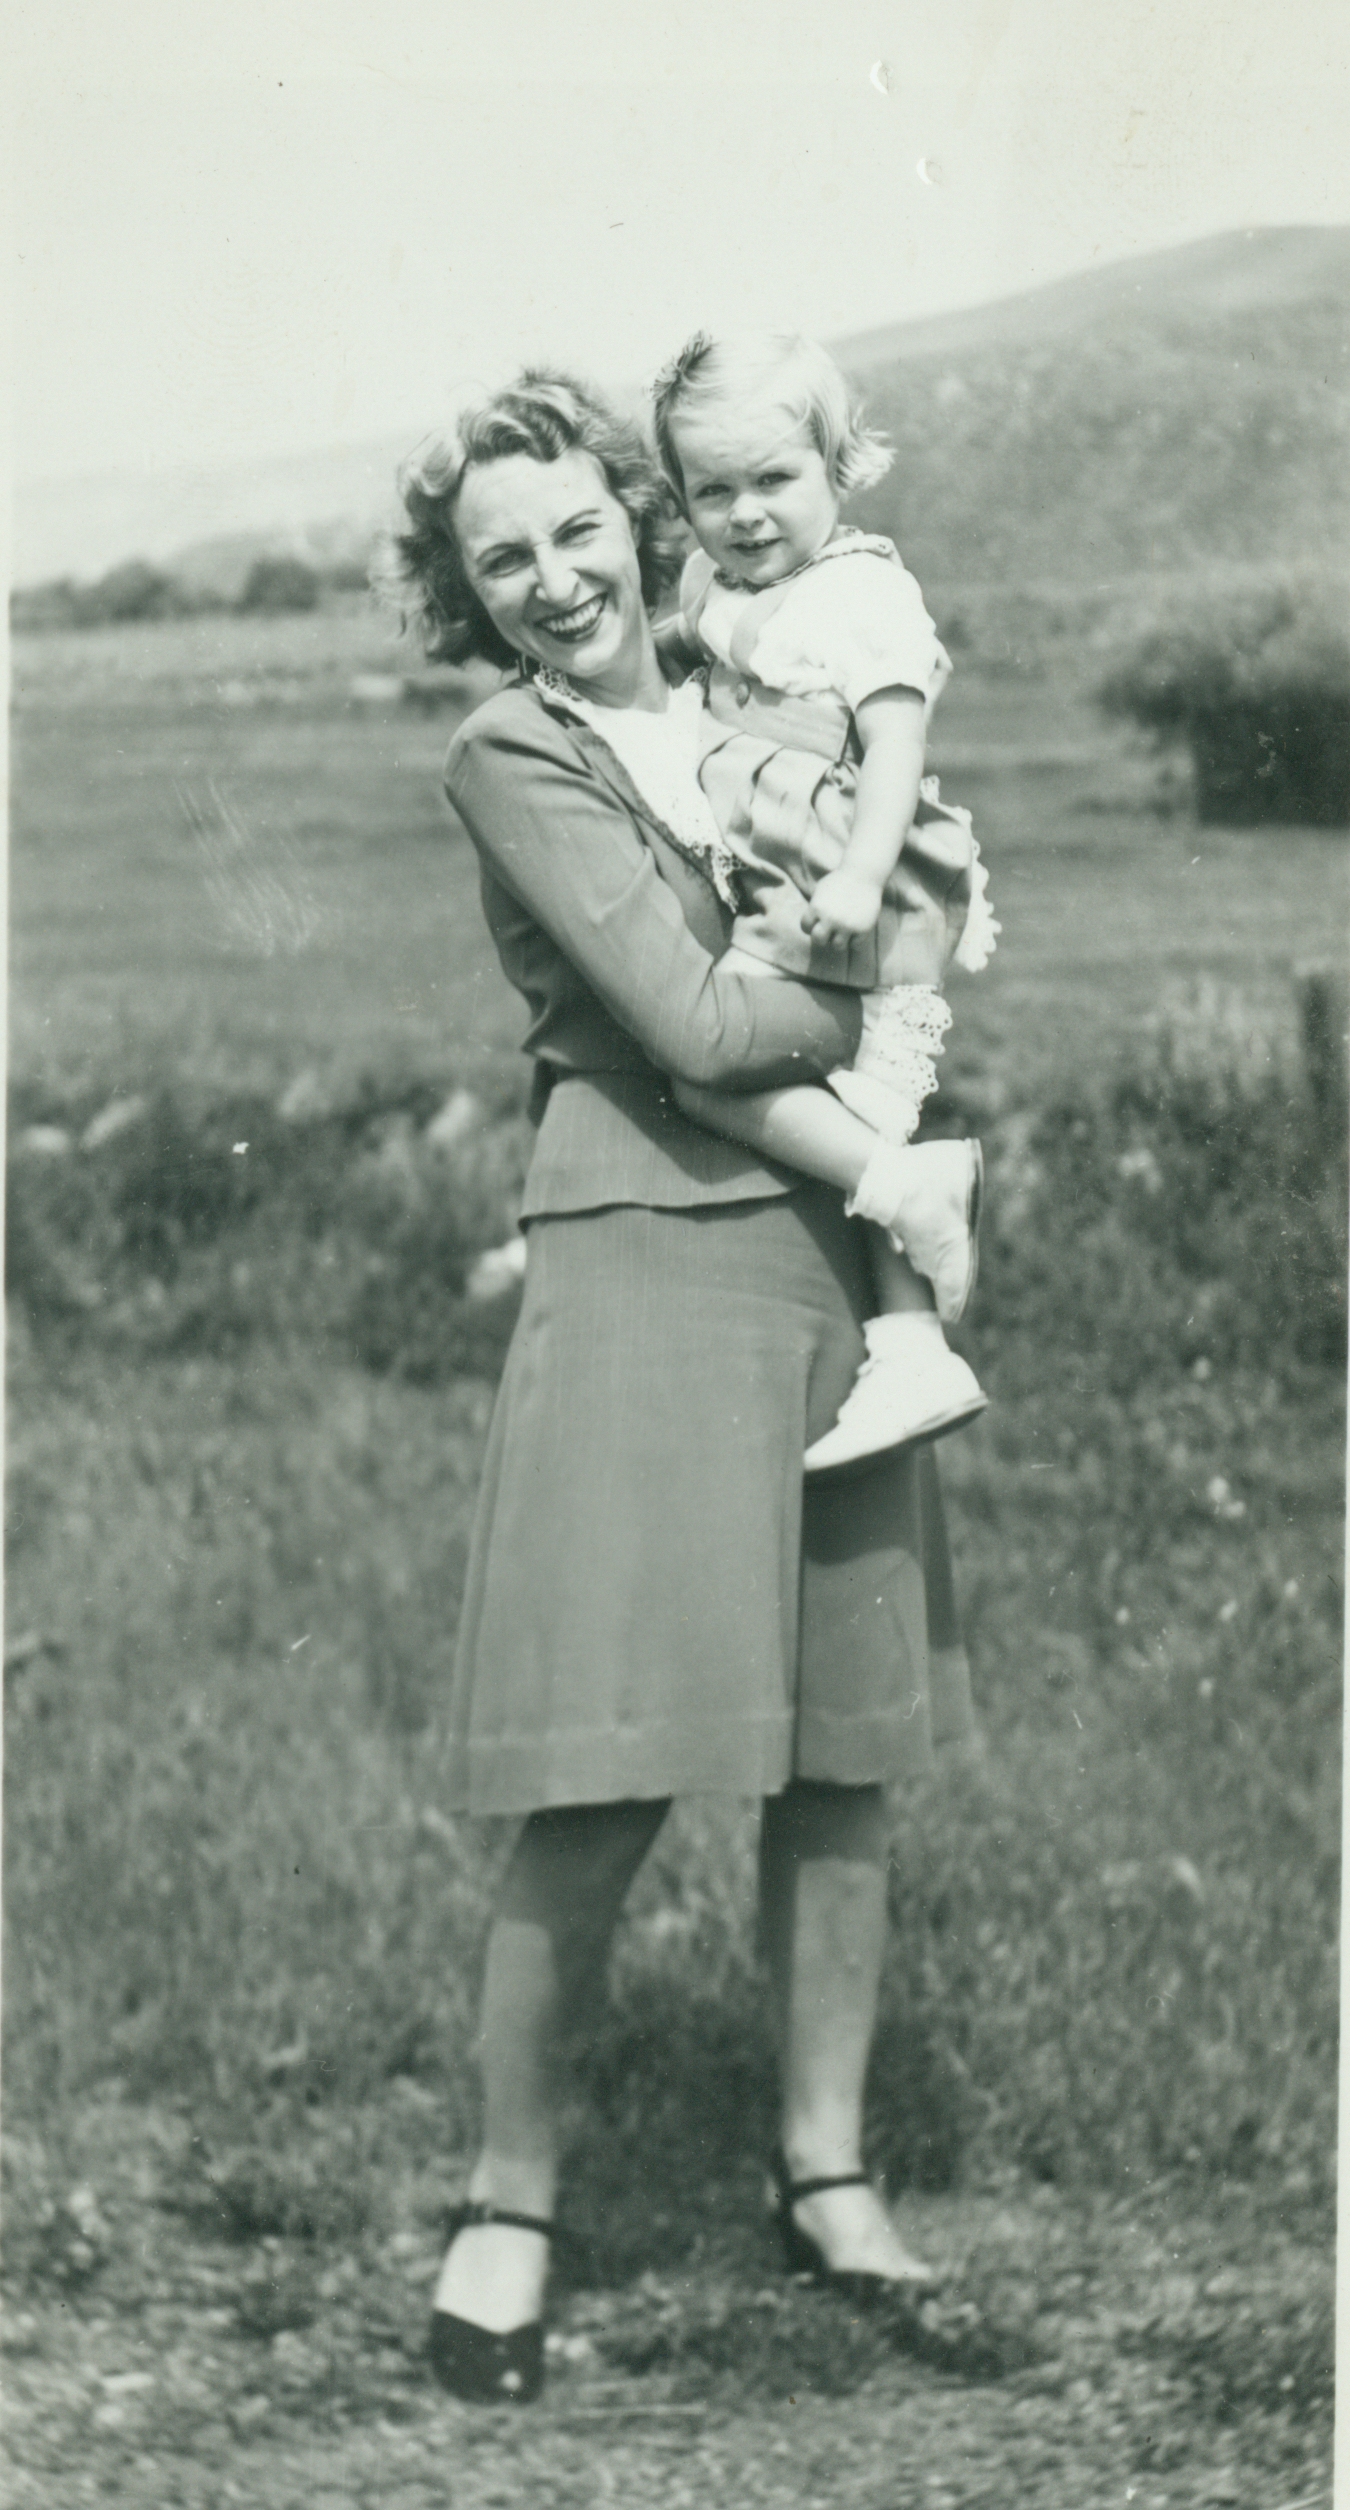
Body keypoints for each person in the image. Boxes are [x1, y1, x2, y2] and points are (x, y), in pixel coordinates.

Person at [385, 370, 977, 2406]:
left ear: (641, 520)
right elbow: (697, 1017)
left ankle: (827, 2175)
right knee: (604, 1750)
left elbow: (896, 877)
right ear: (467, 601)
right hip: (643, 1249)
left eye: (573, 531)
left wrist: (892, 928)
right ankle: (510, 2200)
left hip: (832, 1263)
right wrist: (890, 959)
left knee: (841, 1745)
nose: (552, 582)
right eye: (500, 562)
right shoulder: (509, 750)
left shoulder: (766, 680)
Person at [651, 331, 999, 1472]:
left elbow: (898, 742)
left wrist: (855, 874)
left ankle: (915, 1250)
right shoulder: (720, 587)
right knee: (842, 1106)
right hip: (781, 891)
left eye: (775, 480)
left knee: (719, 1071)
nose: (746, 513)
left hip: (859, 890)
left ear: (835, 469)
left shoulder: (860, 592)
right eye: (715, 489)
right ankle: (910, 1346)